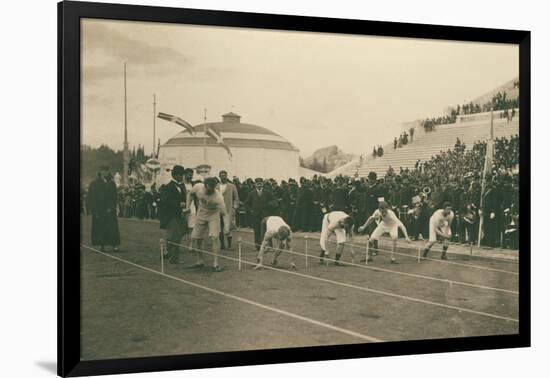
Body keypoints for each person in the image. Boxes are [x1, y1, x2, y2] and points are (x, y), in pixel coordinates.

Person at [189, 177, 227, 272]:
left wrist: (226, 227)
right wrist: (187, 206)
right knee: (197, 238)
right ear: (204, 186)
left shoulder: (218, 197)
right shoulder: (198, 187)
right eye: (208, 189)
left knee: (214, 237)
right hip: (201, 213)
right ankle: (200, 261)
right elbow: (189, 194)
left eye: (211, 189)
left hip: (213, 214)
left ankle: (216, 263)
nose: (209, 191)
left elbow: (224, 213)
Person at [158, 165, 188, 264]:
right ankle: (173, 258)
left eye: (182, 174)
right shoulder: (168, 187)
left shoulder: (182, 186)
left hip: (180, 214)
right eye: (180, 175)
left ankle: (169, 254)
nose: (182, 176)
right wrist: (178, 204)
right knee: (174, 236)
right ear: (174, 175)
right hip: (170, 215)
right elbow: (164, 201)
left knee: (178, 235)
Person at [87, 166, 120, 252]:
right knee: (100, 228)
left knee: (112, 228)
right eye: (104, 171)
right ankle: (102, 245)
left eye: (107, 171)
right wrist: (94, 209)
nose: (105, 172)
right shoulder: (94, 183)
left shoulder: (112, 183)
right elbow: (91, 197)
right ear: (100, 171)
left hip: (110, 210)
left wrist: (111, 207)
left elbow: (114, 196)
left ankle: (115, 245)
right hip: (99, 209)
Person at [245, 178, 276, 249]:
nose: (259, 184)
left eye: (260, 183)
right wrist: (251, 210)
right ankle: (258, 246)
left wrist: (268, 206)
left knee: (267, 230)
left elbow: (274, 201)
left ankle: (268, 246)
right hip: (255, 215)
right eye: (257, 183)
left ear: (263, 184)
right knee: (257, 230)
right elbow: (247, 204)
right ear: (255, 184)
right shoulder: (251, 193)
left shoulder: (267, 192)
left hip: (265, 215)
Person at [218, 170, 240, 250]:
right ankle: (222, 244)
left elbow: (236, 197)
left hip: (228, 209)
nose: (223, 177)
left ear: (226, 176)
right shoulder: (217, 186)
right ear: (219, 176)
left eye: (225, 175)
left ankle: (229, 245)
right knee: (220, 227)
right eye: (222, 175)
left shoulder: (231, 186)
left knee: (229, 227)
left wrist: (235, 207)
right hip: (218, 209)